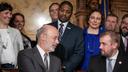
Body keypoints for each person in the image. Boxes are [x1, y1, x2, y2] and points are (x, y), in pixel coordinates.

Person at [50, 1, 84, 72]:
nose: (64, 14)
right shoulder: (47, 27)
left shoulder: (78, 31)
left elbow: (79, 53)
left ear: (71, 14)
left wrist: (64, 67)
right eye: (62, 10)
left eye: (68, 12)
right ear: (58, 10)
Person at [0, 2, 24, 68]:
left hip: (13, 68)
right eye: (6, 13)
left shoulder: (16, 32)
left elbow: (21, 52)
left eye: (10, 13)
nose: (9, 16)